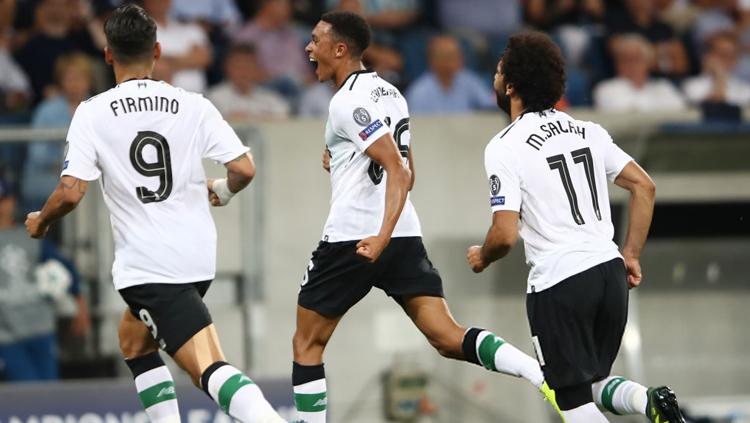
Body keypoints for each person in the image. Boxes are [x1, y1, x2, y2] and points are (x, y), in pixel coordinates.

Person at [292, 11, 560, 423]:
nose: (309, 48)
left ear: (339, 48)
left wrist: (378, 237)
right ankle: (536, 371)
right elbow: (407, 172)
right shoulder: (392, 94)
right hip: (404, 235)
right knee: (448, 337)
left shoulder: (346, 101)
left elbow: (397, 171)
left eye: (315, 40)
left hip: (356, 237)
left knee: (307, 346)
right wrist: (343, 162)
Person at [24, 5, 284, 423]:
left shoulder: (93, 112)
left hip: (151, 267)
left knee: (208, 367)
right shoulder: (193, 104)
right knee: (134, 339)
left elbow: (71, 193)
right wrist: (224, 190)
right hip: (197, 259)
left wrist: (42, 221)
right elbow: (243, 168)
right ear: (158, 50)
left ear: (108, 55)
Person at [467, 31, 686, 423]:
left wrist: (482, 256)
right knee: (593, 384)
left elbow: (503, 235)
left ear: (512, 85)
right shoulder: (587, 130)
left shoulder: (504, 145)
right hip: (608, 274)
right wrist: (630, 254)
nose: (494, 79)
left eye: (499, 71)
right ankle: (649, 401)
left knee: (570, 399)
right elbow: (644, 186)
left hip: (559, 281)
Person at [0, 175, 90, 382]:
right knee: (26, 392)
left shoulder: (29, 234)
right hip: (6, 335)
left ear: (12, 201)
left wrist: (80, 303)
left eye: (3, 200)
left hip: (40, 325)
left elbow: (67, 268)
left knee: (49, 388)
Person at [22, 53, 93, 212]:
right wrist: (69, 164)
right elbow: (38, 154)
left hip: (89, 187)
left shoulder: (100, 109)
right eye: (70, 78)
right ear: (60, 81)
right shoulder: (46, 110)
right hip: (48, 183)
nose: (75, 83)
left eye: (80, 78)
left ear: (89, 80)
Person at [593, 34, 686, 113]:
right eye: (625, 60)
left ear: (648, 62)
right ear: (616, 64)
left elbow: (680, 113)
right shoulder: (606, 89)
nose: (631, 65)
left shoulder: (663, 87)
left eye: (636, 59)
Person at [406, 34, 495, 115]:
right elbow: (417, 126)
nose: (459, 59)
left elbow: (491, 105)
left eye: (459, 55)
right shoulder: (419, 92)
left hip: (467, 131)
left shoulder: (468, 80)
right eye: (450, 56)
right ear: (433, 61)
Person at [207, 43, 291, 121]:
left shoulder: (270, 98)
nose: (244, 71)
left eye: (248, 66)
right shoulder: (214, 98)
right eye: (238, 66)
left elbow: (285, 117)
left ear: (257, 69)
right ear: (227, 68)